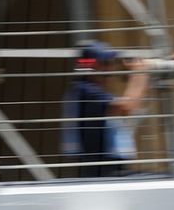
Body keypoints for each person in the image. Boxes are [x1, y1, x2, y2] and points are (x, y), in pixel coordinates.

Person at [62, 41, 149, 177]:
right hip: (102, 169)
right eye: (106, 63)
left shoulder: (89, 89)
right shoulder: (85, 90)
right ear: (91, 65)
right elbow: (125, 108)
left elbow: (131, 104)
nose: (110, 69)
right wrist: (139, 75)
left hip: (108, 166)